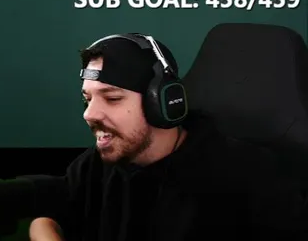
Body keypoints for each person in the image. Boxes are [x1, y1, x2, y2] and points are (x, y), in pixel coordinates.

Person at [29, 32, 305, 240]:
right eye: (87, 99)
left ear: (163, 102)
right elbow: (47, 218)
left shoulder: (247, 174)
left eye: (112, 98)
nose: (89, 114)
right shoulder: (102, 160)